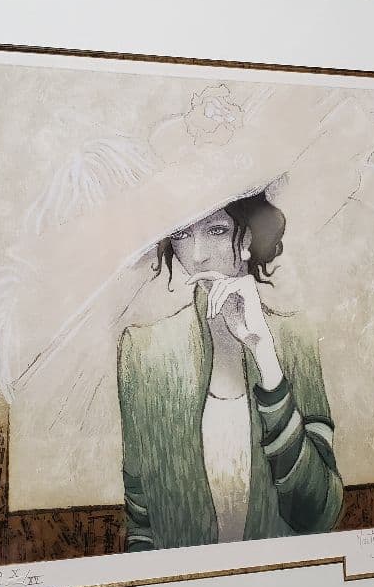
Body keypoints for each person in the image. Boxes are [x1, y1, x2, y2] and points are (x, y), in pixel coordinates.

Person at [117, 191, 344, 551]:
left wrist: (265, 357)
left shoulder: (293, 340)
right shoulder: (143, 352)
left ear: (249, 236)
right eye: (181, 234)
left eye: (217, 230)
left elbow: (319, 514)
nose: (197, 255)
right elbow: (140, 512)